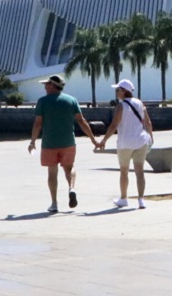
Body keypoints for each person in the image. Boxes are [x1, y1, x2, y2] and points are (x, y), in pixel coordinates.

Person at [28, 74, 97, 214]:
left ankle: (54, 203)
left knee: (52, 173)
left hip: (49, 143)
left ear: (53, 85)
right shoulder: (71, 100)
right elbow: (81, 121)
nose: (45, 87)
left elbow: (37, 123)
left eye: (47, 84)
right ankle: (71, 188)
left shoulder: (42, 101)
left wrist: (33, 141)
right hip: (68, 142)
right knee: (69, 168)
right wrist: (93, 139)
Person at [100, 79, 154, 209]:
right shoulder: (140, 103)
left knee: (124, 172)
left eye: (118, 90)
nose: (116, 92)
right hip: (141, 141)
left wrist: (104, 140)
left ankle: (124, 198)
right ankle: (141, 199)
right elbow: (148, 123)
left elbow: (114, 125)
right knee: (139, 171)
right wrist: (151, 138)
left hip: (125, 143)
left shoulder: (121, 106)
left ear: (124, 91)